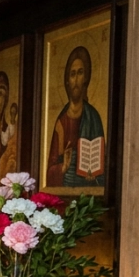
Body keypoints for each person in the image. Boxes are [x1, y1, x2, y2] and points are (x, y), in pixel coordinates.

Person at [47, 46, 105, 188]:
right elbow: (49, 172)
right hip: (66, 186)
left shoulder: (94, 117)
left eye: (80, 73)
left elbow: (104, 165)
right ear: (67, 80)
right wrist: (63, 167)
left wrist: (96, 173)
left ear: (86, 78)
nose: (76, 79)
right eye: (72, 74)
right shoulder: (61, 122)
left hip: (88, 190)